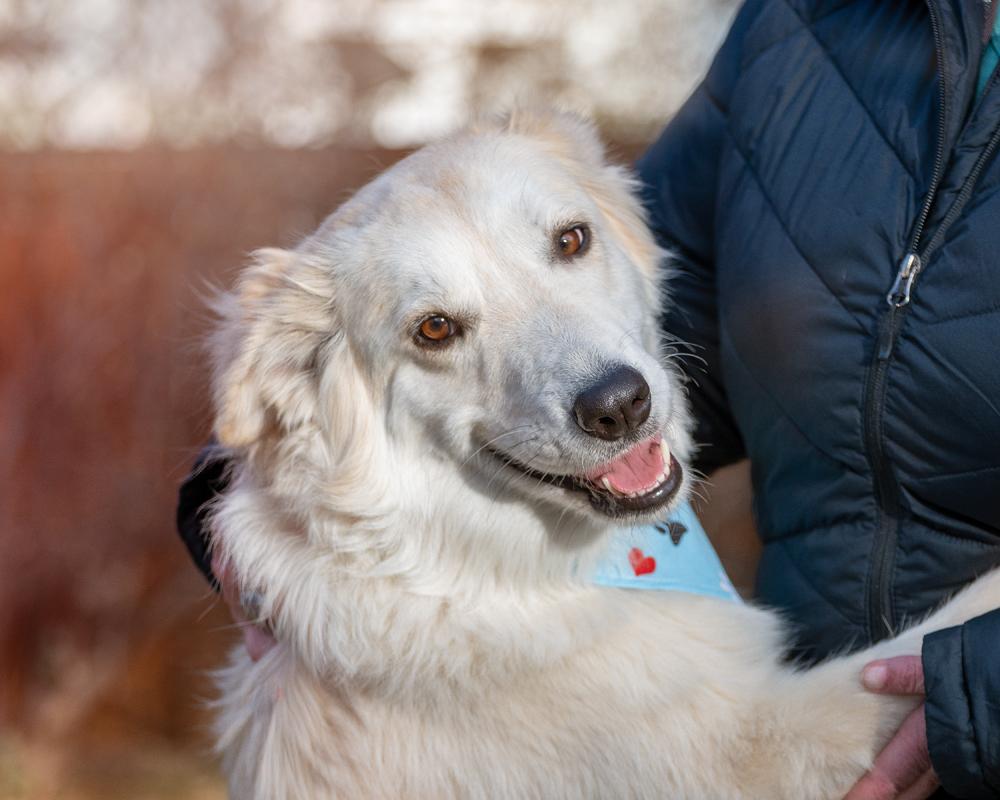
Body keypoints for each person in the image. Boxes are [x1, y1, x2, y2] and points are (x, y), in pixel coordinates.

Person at [178, 1, 1000, 797]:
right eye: (437, 329)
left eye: (568, 244)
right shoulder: (813, 19)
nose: (603, 387)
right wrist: (246, 510)